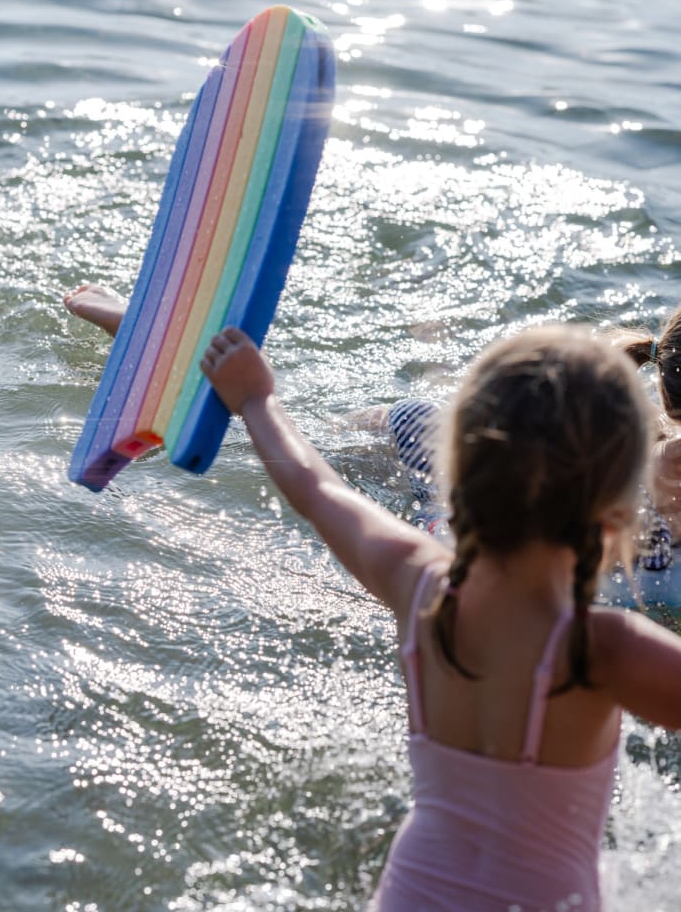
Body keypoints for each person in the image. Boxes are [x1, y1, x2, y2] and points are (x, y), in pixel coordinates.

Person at [197, 322, 681, 911]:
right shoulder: (603, 649)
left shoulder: (419, 582)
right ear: (620, 517)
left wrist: (254, 398)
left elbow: (314, 487)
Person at [63, 285, 681, 559]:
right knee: (293, 442)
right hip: (429, 445)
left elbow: (318, 496)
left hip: (474, 447)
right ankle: (168, 343)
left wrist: (255, 402)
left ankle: (209, 366)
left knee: (289, 436)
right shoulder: (619, 473)